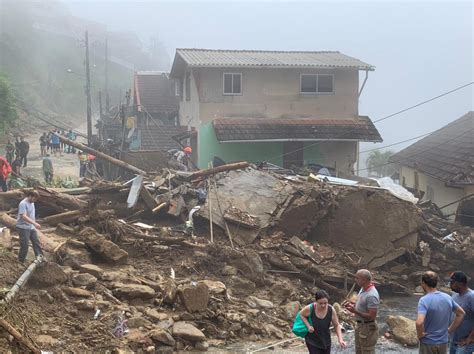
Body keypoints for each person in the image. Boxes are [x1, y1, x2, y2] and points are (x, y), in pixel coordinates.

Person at [416, 271, 465, 354]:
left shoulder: (424, 300)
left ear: (423, 283)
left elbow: (419, 322)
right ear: (436, 282)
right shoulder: (447, 297)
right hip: (443, 342)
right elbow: (461, 313)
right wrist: (449, 330)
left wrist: (420, 335)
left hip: (428, 342)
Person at [345, 269, 380, 354]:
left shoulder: (372, 295)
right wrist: (353, 306)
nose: (355, 280)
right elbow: (362, 304)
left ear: (364, 280)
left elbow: (372, 316)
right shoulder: (363, 289)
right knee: (359, 350)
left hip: (367, 328)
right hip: (360, 325)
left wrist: (355, 311)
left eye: (357, 278)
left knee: (367, 351)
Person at [449, 271, 474, 354]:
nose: (450, 284)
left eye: (452, 282)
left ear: (459, 283)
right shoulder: (454, 296)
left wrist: (470, 338)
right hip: (453, 341)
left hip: (465, 343)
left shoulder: (471, 296)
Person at [16, 190, 43, 263]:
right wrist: (34, 223)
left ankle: (40, 257)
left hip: (31, 227)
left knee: (36, 242)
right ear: (30, 196)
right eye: (34, 199)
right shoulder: (23, 203)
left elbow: (31, 214)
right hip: (23, 227)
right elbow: (24, 216)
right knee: (25, 245)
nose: (35, 201)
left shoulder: (32, 203)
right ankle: (21, 261)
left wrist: (33, 224)